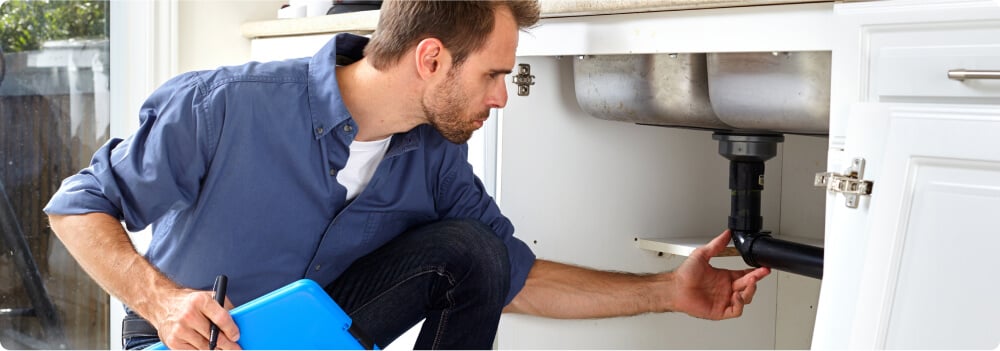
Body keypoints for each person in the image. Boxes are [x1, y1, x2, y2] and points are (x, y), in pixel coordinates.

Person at [44, 1, 771, 350]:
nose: (499, 96)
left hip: (307, 339)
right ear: (430, 59)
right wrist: (166, 302)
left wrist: (666, 293)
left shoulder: (434, 163)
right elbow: (77, 207)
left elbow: (509, 276)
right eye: (492, 74)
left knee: (472, 248)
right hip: (193, 342)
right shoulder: (225, 105)